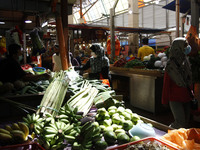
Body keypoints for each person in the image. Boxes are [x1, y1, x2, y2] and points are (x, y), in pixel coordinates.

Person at [162, 37, 193, 129]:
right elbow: (166, 84)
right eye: (185, 46)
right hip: (175, 98)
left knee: (186, 123)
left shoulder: (186, 61)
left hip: (187, 97)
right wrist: (164, 100)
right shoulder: (171, 66)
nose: (187, 48)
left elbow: (189, 79)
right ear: (178, 47)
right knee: (180, 122)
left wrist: (192, 94)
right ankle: (168, 137)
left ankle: (180, 141)